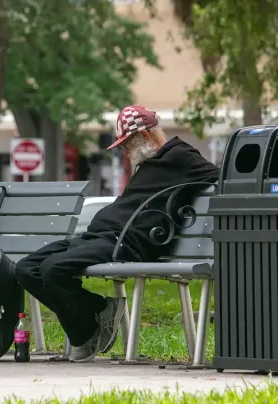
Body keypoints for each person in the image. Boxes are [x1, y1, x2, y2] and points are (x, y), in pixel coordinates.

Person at [15, 105, 220, 363]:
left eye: (127, 144)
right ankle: (100, 310)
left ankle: (86, 332)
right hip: (101, 236)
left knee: (53, 269)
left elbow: (222, 179)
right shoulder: (147, 164)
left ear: (145, 136)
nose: (125, 151)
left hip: (126, 241)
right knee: (26, 268)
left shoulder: (181, 157)